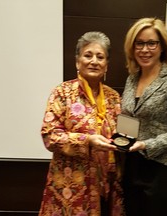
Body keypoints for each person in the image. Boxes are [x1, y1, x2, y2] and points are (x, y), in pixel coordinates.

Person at [38, 31, 124, 216]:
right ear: (78, 61)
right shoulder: (62, 92)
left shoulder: (114, 97)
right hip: (70, 189)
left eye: (100, 57)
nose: (94, 61)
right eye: (88, 55)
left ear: (106, 65)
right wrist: (87, 140)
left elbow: (121, 136)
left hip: (106, 185)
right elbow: (49, 135)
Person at [121, 17, 167, 216]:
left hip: (162, 169)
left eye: (151, 43)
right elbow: (129, 119)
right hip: (133, 165)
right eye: (139, 43)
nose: (145, 49)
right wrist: (121, 140)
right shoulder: (131, 79)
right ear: (132, 47)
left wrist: (146, 145)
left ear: (162, 47)